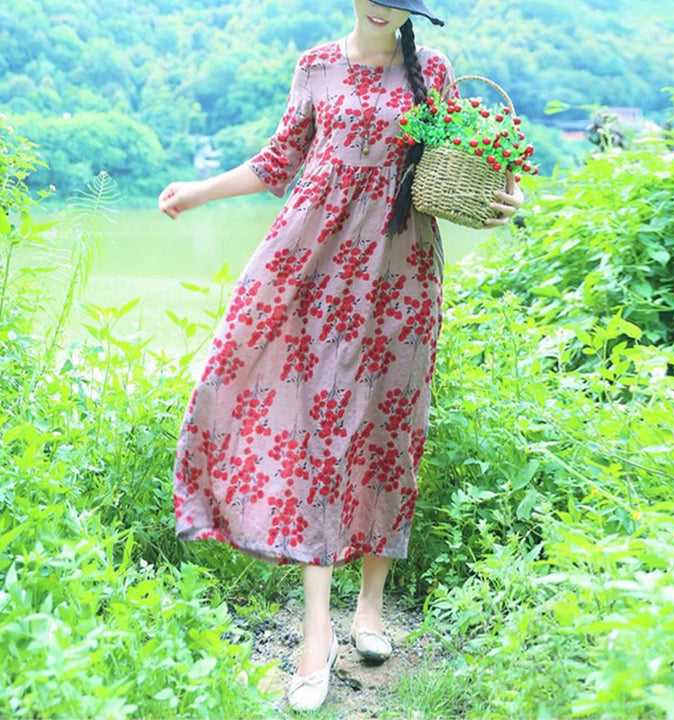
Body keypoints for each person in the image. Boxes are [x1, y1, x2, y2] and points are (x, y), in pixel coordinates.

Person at [158, 0, 523, 711]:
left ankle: (370, 610)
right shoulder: (317, 66)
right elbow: (277, 162)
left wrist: (506, 190)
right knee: (313, 434)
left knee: (388, 431)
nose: (385, 5)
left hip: (399, 273)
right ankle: (315, 633)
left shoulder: (434, 72)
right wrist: (199, 192)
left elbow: (471, 158)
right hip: (313, 266)